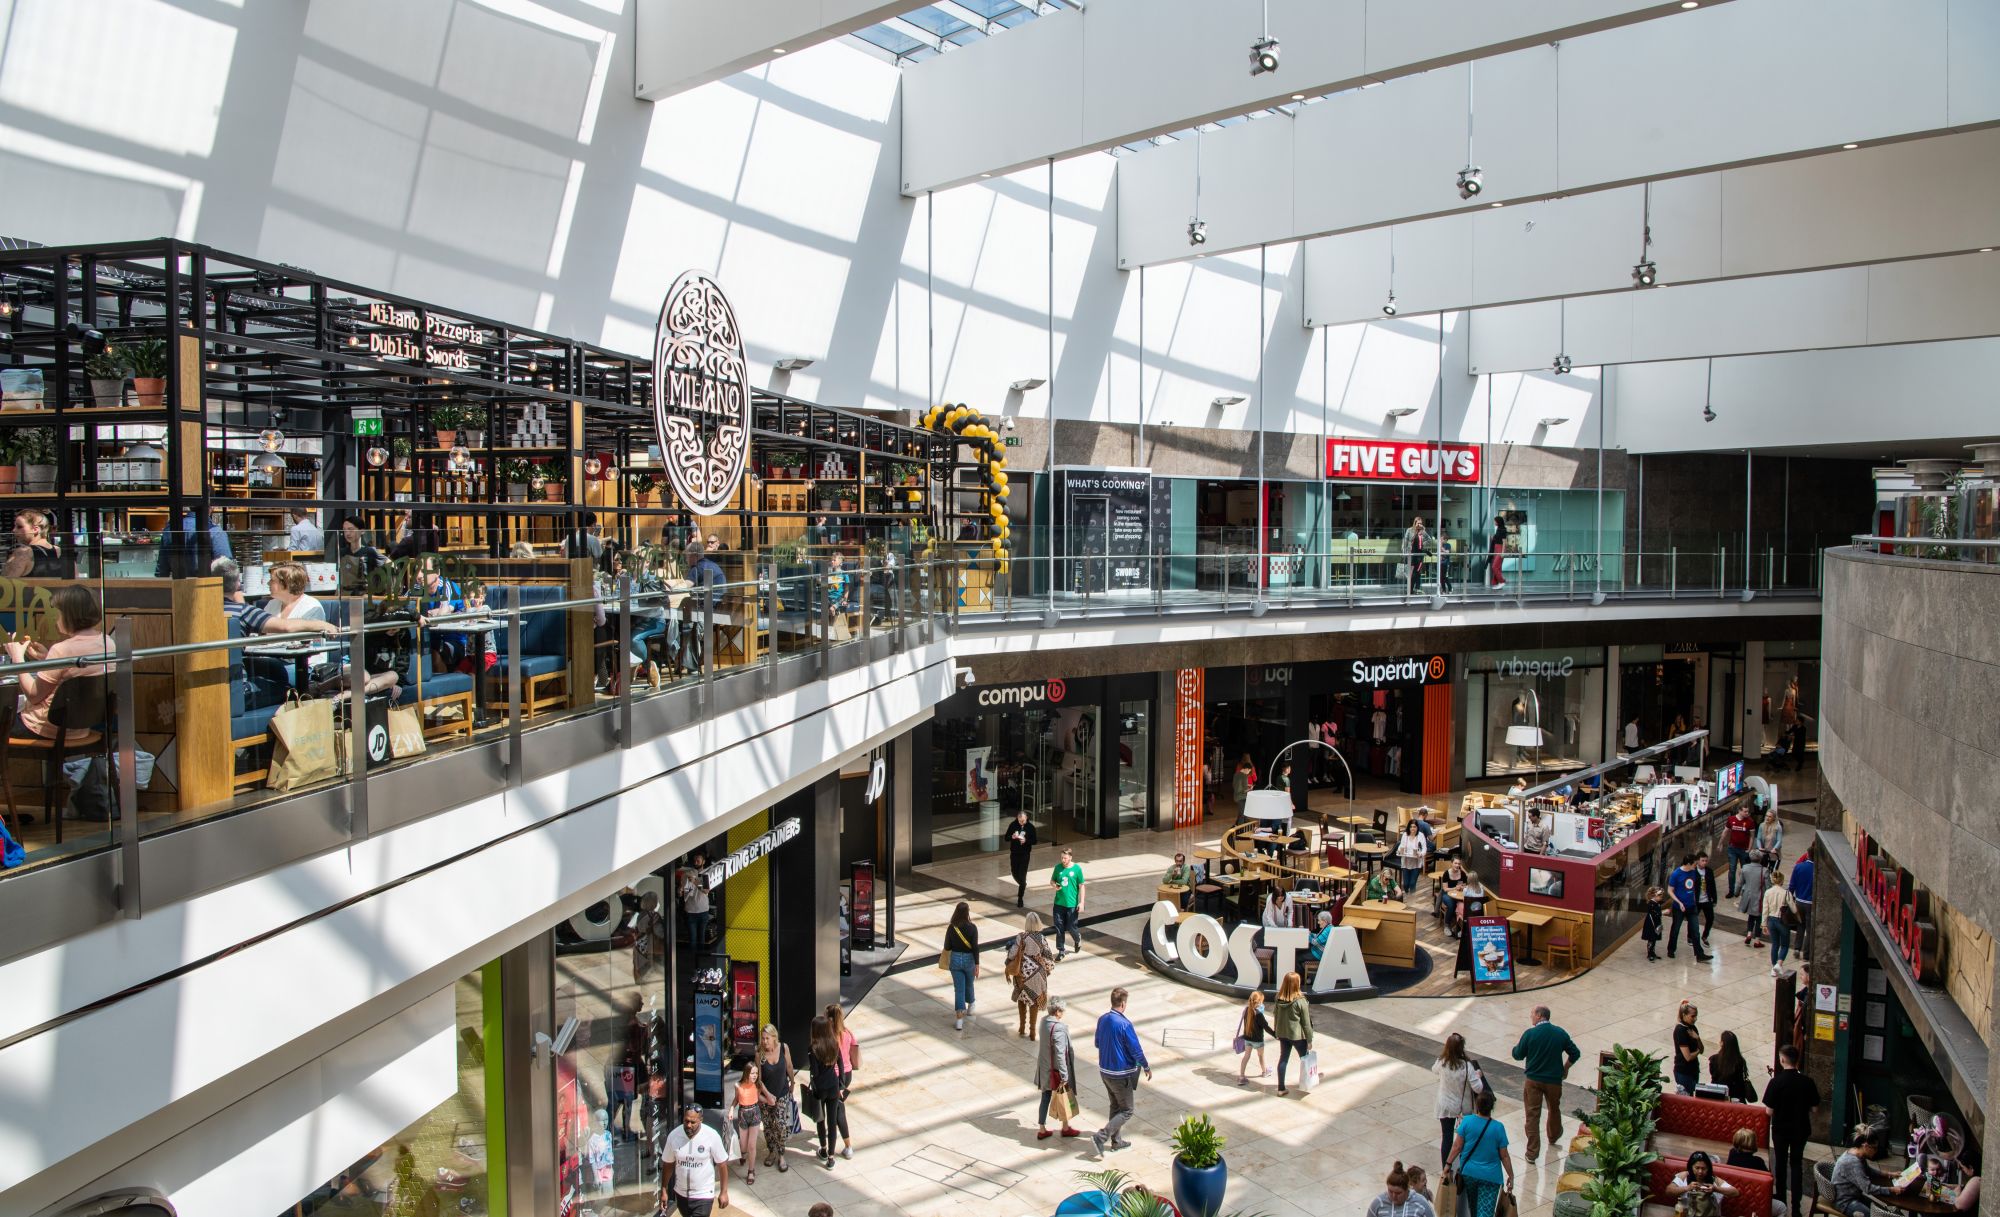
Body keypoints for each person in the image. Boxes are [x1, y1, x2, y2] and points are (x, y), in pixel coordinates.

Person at [5, 584, 112, 748]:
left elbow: (33, 695)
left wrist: (18, 658)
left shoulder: (62, 649)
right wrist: (47, 658)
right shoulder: (107, 642)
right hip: (82, 728)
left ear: (69, 615)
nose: (55, 619)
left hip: (46, 729)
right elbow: (73, 672)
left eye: (57, 613)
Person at [1511, 1005, 1580, 1163]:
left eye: (1532, 1014)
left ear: (1539, 1015)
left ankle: (1532, 1153)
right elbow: (1575, 1053)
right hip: (1554, 1081)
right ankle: (1553, 1136)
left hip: (1533, 1081)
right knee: (1554, 1109)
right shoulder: (1560, 1033)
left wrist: (1516, 1048)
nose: (1531, 1017)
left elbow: (1518, 1055)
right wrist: (1565, 1067)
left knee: (1532, 1115)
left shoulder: (1530, 1034)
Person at [1090, 986, 1151, 1156]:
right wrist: (1146, 1066)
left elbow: (1097, 1043)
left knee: (1116, 1105)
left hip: (1105, 1071)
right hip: (1120, 1074)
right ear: (1123, 1003)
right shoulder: (1125, 1024)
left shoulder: (1102, 1019)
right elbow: (1136, 1050)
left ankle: (1116, 1142)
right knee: (1127, 1110)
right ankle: (1101, 1136)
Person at [1762, 1044, 1820, 1217]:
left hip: (1781, 1130)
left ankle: (1781, 1200)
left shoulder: (1776, 1082)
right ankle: (1796, 1207)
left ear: (1782, 1060)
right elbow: (1815, 1109)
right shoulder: (1807, 1082)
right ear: (1797, 1060)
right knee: (1796, 1165)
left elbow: (1768, 1111)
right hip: (1801, 1129)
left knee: (1780, 1164)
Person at [1444, 1087, 1514, 1217]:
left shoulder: (1467, 1121)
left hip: (1469, 1173)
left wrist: (1448, 1164)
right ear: (1492, 1108)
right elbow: (1504, 1156)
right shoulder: (1498, 1128)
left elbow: (1457, 1146)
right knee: (1485, 1212)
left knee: (1474, 1207)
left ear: (1477, 1105)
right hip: (1491, 1177)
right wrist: (1511, 1175)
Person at [663, 1103, 730, 1215]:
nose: (689, 1125)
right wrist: (664, 1190)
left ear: (701, 1120)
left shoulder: (712, 1136)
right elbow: (668, 1164)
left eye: (693, 1122)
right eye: (686, 1121)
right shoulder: (674, 1136)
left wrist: (724, 1192)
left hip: (703, 1195)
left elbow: (722, 1164)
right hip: (681, 1195)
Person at [1034, 993, 1080, 1140]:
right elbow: (1060, 1054)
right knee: (1064, 1096)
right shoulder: (1058, 1028)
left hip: (1044, 1067)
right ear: (1057, 1011)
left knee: (1045, 1097)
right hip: (1055, 1071)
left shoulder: (1044, 1022)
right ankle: (1065, 1128)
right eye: (1062, 1011)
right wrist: (1064, 1075)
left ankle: (1042, 1129)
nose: (1062, 1013)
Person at [752, 1024, 794, 1173]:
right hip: (766, 1096)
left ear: (774, 1037)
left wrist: (792, 1082)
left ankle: (781, 1154)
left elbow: (789, 1066)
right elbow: (758, 1079)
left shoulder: (784, 1048)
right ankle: (771, 1151)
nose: (764, 1041)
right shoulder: (759, 1053)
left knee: (780, 1125)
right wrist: (767, 1095)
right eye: (762, 1038)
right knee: (768, 1125)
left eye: (767, 1038)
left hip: (782, 1093)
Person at [1432, 1032, 1477, 1169]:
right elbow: (1478, 1087)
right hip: (1463, 1108)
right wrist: (1478, 1076)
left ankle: (1445, 1170)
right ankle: (1463, 1170)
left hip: (1445, 1105)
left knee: (1447, 1137)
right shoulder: (1467, 1066)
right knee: (1464, 1138)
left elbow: (1434, 1069)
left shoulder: (1442, 1062)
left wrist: (1442, 1056)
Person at [1831, 1127, 1898, 1217]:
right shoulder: (1853, 1162)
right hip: (1845, 1202)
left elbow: (1868, 1170)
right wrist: (1891, 1190)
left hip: (1855, 1196)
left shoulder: (1856, 1152)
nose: (1876, 1151)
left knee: (1882, 1212)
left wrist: (1889, 1174)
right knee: (1876, 1215)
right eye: (1874, 1148)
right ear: (1865, 1146)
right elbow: (1868, 1188)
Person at [1008, 912, 1055, 1040]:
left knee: (1022, 999)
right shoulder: (1042, 938)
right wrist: (1046, 970)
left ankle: (1022, 1027)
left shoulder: (1021, 937)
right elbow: (1049, 958)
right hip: (1038, 975)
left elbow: (1012, 954)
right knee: (1034, 1002)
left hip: (1022, 974)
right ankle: (1032, 1031)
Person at [1271, 970, 1313, 1097]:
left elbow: (1276, 1015)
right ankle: (1308, 1083)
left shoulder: (1278, 998)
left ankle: (1281, 1088)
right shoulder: (1301, 1001)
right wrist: (1309, 1039)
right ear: (1296, 984)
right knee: (1305, 1059)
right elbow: (1306, 1023)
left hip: (1283, 1034)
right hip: (1297, 1036)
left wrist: (1276, 1031)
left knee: (1283, 1059)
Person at [826, 1002, 859, 1160]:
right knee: (837, 1106)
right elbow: (854, 1049)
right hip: (848, 1074)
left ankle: (848, 1146)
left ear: (831, 1019)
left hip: (835, 1077)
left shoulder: (829, 1037)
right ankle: (834, 1130)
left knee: (839, 1110)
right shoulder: (848, 1033)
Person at [1668, 1150, 1739, 1217]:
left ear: (1708, 1168)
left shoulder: (1715, 1180)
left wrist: (1716, 1189)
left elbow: (1735, 1192)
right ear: (1691, 1167)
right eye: (1697, 1168)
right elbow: (1668, 1191)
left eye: (1703, 1168)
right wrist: (1687, 1188)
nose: (1700, 1171)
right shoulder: (1683, 1176)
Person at [1668, 854, 1711, 962]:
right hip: (1679, 908)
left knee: (1695, 931)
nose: (1696, 865)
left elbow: (1694, 887)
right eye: (1694, 864)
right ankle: (1671, 950)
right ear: (1688, 864)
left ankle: (1699, 954)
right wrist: (1679, 902)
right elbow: (1670, 890)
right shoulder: (1676, 874)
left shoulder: (1693, 872)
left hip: (1691, 906)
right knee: (1675, 929)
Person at [945, 901, 980, 1030]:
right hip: (969, 960)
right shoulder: (972, 927)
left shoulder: (951, 928)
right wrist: (977, 964)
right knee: (969, 984)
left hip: (955, 959)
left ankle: (959, 1020)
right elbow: (975, 947)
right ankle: (971, 1006)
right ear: (967, 913)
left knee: (959, 989)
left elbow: (947, 946)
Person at [2, 508, 64, 577]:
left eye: (19, 527)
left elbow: (5, 583)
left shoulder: (23, 552)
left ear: (35, 529)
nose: (13, 530)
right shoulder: (61, 551)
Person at [332, 516, 384, 594]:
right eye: (345, 530)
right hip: (344, 595)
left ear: (362, 531)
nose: (347, 533)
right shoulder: (342, 552)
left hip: (363, 595)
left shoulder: (370, 551)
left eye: (351, 529)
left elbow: (390, 565)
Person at [1049, 846, 1085, 959]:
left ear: (1070, 857)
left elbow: (1082, 886)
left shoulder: (1077, 869)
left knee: (1071, 927)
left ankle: (1077, 938)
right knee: (1059, 927)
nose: (1063, 860)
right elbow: (1052, 881)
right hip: (1059, 904)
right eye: (1062, 858)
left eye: (1065, 858)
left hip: (1071, 905)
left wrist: (1081, 902)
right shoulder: (1058, 868)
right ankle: (1061, 951)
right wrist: (1055, 886)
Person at [1369, 1160, 1438, 1217]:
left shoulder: (1421, 1203)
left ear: (1407, 1190)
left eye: (1398, 1193)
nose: (1393, 1196)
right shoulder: (1378, 1203)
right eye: (1390, 1191)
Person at [732, 1064, 763, 1185]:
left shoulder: (758, 1084)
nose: (755, 1076)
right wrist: (731, 1109)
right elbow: (736, 1099)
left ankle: (751, 1171)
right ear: (746, 1073)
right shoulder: (738, 1085)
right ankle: (743, 1154)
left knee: (752, 1145)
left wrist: (769, 1099)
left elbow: (759, 1097)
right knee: (743, 1145)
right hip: (743, 1113)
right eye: (752, 1073)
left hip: (755, 1112)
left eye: (756, 1073)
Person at [1764, 871, 1799, 975]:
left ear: (1772, 880)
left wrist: (1763, 924)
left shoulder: (1768, 892)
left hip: (1771, 920)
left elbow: (1765, 910)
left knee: (1775, 944)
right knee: (1784, 945)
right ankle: (1778, 964)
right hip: (1782, 921)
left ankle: (1773, 968)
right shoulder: (1786, 893)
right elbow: (1794, 909)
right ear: (1782, 881)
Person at [1737, 851, 1772, 948]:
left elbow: (1740, 883)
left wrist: (1736, 892)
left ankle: (1749, 934)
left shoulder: (1745, 867)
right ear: (1760, 859)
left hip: (1748, 897)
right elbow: (1768, 887)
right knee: (1759, 919)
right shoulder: (1765, 870)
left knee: (1751, 917)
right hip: (1760, 898)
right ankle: (1757, 940)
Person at [1709, 1030, 1756, 1102]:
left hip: (1719, 1095)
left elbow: (1713, 1077)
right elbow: (1739, 1080)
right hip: (1736, 1098)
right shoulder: (1739, 1061)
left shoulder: (1714, 1059)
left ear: (1722, 1043)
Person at [1237, 990, 1272, 1085]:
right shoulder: (1259, 1014)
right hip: (1258, 1040)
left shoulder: (1246, 1010)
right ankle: (1265, 1072)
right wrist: (1275, 1034)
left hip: (1248, 1038)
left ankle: (1241, 1076)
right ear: (1259, 1002)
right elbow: (1266, 1027)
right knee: (1261, 1056)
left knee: (1246, 1056)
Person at [680, 850, 713, 949]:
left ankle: (700, 956)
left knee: (701, 939)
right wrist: (681, 889)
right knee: (693, 939)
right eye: (694, 860)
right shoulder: (687, 874)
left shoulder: (707, 874)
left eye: (698, 860)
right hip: (691, 911)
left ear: (703, 861)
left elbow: (706, 890)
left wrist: (695, 882)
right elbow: (685, 889)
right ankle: (693, 956)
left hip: (703, 911)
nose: (696, 862)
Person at [1006, 808, 1037, 907]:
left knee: (1022, 874)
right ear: (1017, 818)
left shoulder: (1031, 827)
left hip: (1025, 854)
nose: (1021, 823)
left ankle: (1020, 898)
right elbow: (1006, 838)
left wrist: (1026, 841)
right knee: (1014, 872)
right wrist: (1012, 837)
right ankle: (1023, 884)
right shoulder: (1013, 825)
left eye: (1023, 821)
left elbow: (1035, 841)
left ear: (1026, 818)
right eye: (1020, 821)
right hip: (1014, 853)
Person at [1672, 1001, 1704, 1095]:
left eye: (1696, 1016)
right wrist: (1698, 1051)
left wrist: (1698, 1039)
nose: (1695, 1019)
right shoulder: (1680, 1031)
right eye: (1692, 1016)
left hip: (1694, 1070)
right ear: (1684, 1015)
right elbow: (1688, 1057)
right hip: (1684, 1072)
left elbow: (1702, 1049)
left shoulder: (1693, 1028)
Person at [1724, 804, 1755, 897]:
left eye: (1748, 811)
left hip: (1744, 850)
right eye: (1745, 811)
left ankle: (1744, 890)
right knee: (1732, 869)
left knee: (1745, 870)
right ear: (1739, 811)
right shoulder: (1731, 819)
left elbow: (1752, 836)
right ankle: (1731, 890)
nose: (1747, 813)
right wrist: (1721, 843)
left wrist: (1749, 849)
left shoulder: (1750, 822)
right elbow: (1725, 831)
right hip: (1732, 848)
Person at [1397, 820, 1428, 894]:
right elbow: (1401, 846)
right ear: (1408, 827)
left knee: (1412, 883)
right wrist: (1399, 850)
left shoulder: (1421, 835)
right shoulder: (1405, 835)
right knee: (1405, 884)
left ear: (1417, 827)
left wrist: (1421, 854)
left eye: (1414, 827)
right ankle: (1407, 895)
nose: (1412, 828)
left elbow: (1424, 848)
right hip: (1406, 862)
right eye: (1411, 827)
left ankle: (1412, 897)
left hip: (1416, 863)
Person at [1696, 851, 1719, 939]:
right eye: (1702, 860)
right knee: (1693, 920)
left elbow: (1713, 886)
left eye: (1706, 861)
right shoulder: (1693, 871)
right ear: (1698, 861)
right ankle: (1690, 936)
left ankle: (1705, 936)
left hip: (1707, 900)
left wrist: (1714, 899)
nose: (1704, 862)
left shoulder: (1709, 871)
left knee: (1710, 919)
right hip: (1696, 901)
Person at [1487, 516, 1509, 590]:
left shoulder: (1503, 530)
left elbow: (1504, 542)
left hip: (1500, 549)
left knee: (1494, 566)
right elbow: (1497, 538)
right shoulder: (1498, 529)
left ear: (1498, 522)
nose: (1494, 522)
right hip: (1496, 549)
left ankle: (1502, 581)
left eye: (1495, 521)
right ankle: (1499, 583)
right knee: (1498, 567)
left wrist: (1503, 552)